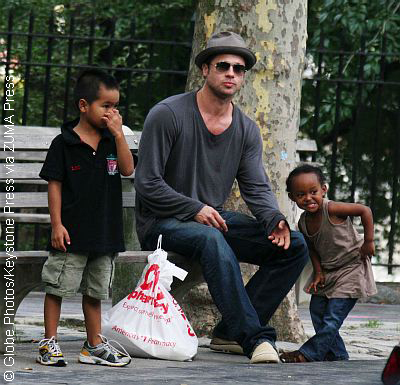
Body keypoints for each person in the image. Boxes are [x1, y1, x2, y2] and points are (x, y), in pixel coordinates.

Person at [134, 31, 309, 364]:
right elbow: (147, 183)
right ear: (205, 70)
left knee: (295, 246)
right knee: (212, 237)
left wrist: (276, 220)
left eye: (239, 69)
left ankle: (230, 330)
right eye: (223, 66)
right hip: (161, 223)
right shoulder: (168, 114)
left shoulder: (245, 129)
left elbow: (256, 187)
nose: (231, 73)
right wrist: (194, 208)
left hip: (208, 219)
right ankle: (254, 337)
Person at [37, 69, 134, 367]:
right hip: (71, 233)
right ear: (83, 105)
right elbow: (55, 185)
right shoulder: (63, 143)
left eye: (115, 106)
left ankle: (92, 345)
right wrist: (56, 224)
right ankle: (49, 341)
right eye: (105, 105)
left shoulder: (111, 141)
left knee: (95, 292)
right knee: (57, 287)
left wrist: (119, 134)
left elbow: (128, 170)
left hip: (104, 233)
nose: (111, 112)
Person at [281, 164, 377, 363]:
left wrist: (368, 241)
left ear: (323, 190)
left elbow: (364, 210)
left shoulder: (332, 208)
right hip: (329, 271)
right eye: (301, 195)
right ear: (292, 198)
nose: (308, 198)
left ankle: (307, 353)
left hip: (352, 267)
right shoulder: (303, 222)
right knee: (317, 310)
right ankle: (338, 356)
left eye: (313, 192)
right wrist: (318, 272)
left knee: (333, 317)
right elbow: (313, 248)